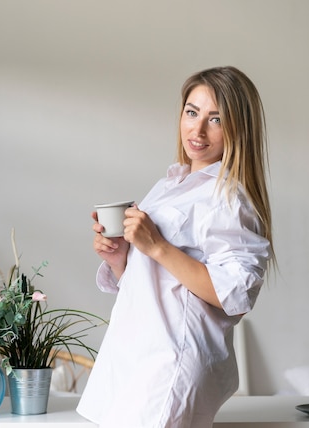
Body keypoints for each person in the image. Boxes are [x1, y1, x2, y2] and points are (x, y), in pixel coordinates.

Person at [76, 66, 274, 428]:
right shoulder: (172, 184)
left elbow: (236, 294)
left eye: (216, 119)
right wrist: (122, 258)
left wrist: (156, 247)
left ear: (239, 128)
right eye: (191, 112)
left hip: (169, 367)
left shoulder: (228, 198)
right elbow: (161, 286)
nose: (197, 130)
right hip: (136, 359)